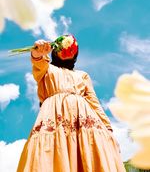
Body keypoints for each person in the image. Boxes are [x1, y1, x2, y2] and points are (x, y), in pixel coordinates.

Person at [17, 35, 125, 172]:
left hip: (85, 123)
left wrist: (109, 130)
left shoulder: (83, 75)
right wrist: (38, 52)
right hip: (54, 119)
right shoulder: (47, 70)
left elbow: (94, 102)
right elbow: (38, 62)